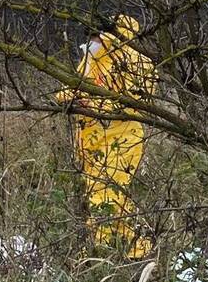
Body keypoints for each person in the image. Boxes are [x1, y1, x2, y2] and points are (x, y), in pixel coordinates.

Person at [56, 14, 158, 258]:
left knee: (108, 198)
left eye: (96, 36)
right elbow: (71, 89)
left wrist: (90, 103)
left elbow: (135, 102)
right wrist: (70, 98)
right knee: (98, 197)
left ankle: (121, 253)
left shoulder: (135, 62)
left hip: (121, 140)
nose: (92, 40)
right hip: (92, 141)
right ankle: (114, 252)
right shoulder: (94, 59)